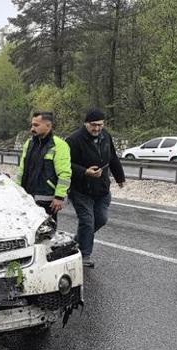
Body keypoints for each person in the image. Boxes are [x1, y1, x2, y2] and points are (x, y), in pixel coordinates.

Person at [66, 108, 126, 268]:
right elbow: (65, 164)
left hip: (102, 188)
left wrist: (120, 177)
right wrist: (84, 171)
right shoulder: (74, 140)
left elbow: (112, 157)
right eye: (93, 125)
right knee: (87, 221)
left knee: (101, 219)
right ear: (86, 123)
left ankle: (77, 241)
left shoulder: (106, 136)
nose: (97, 128)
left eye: (100, 125)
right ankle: (84, 255)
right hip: (81, 189)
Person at [15, 111, 72, 222]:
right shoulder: (29, 143)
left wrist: (59, 197)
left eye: (36, 125)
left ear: (48, 126)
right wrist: (16, 190)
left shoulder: (59, 145)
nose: (32, 128)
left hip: (47, 199)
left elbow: (64, 174)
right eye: (32, 125)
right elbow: (21, 170)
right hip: (27, 197)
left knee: (47, 230)